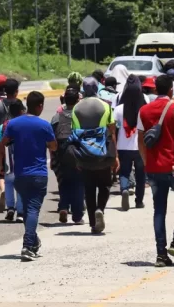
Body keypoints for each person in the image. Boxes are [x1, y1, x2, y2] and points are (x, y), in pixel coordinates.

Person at [138, 75, 174, 267]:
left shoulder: (143, 110)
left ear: (154, 90)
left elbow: (141, 141)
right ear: (170, 90)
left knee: (159, 210)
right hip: (173, 167)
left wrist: (146, 163)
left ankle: (161, 254)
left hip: (153, 168)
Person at [0, 92, 57, 261]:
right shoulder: (44, 125)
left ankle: (33, 241)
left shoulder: (13, 123)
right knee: (32, 210)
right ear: (40, 106)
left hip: (20, 174)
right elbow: (53, 146)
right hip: (38, 174)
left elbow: (2, 144)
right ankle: (27, 245)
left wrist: (2, 165)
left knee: (26, 209)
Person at [72, 77, 118, 234]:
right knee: (105, 185)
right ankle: (100, 209)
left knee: (89, 188)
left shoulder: (76, 108)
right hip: (103, 153)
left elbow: (76, 135)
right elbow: (112, 131)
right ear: (97, 88)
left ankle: (93, 221)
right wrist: (115, 155)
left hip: (85, 154)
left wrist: (77, 158)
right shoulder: (105, 106)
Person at [114, 75, 149, 210]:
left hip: (123, 145)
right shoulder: (144, 105)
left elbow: (114, 128)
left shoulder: (118, 109)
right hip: (140, 146)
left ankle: (124, 189)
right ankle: (139, 201)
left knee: (124, 171)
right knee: (141, 175)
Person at [51, 88, 85, 224]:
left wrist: (53, 155)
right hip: (78, 152)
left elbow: (51, 136)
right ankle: (77, 216)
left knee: (63, 182)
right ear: (78, 100)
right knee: (78, 184)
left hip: (61, 153)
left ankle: (63, 207)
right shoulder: (81, 115)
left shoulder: (57, 116)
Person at [0, 78, 19, 212]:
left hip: (0, 141)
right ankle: (17, 206)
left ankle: (5, 193)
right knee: (18, 173)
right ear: (16, 92)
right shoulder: (19, 104)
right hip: (18, 143)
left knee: (3, 171)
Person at [0, 99, 26, 223]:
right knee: (20, 185)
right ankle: (20, 212)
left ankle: (10, 208)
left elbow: (0, 145)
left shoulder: (3, 125)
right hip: (21, 158)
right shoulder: (24, 124)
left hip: (8, 159)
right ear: (21, 111)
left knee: (8, 183)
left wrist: (0, 163)